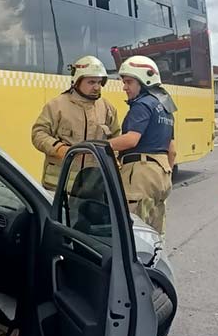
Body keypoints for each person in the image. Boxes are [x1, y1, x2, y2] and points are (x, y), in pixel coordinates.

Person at [108, 55, 176, 236]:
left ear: (144, 81)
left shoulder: (141, 105)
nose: (124, 87)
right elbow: (173, 150)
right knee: (155, 234)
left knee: (134, 232)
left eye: (129, 82)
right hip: (162, 174)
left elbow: (131, 140)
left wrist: (100, 145)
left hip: (141, 173)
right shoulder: (166, 107)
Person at [31, 55, 120, 190]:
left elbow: (116, 138)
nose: (97, 87)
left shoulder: (107, 108)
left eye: (99, 82)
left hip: (94, 185)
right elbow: (38, 134)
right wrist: (59, 149)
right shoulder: (57, 105)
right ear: (77, 81)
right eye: (91, 82)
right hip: (60, 184)